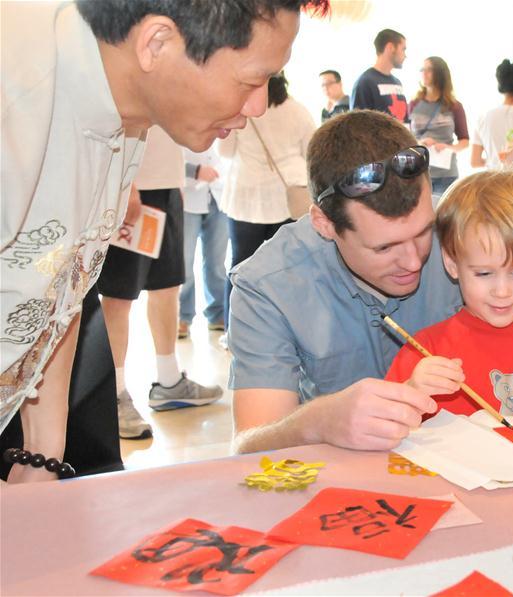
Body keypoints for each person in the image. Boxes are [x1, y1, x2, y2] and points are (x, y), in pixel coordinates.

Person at [1, 0, 323, 483]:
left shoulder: (123, 111)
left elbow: (60, 287)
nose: (258, 107)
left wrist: (41, 455)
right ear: (157, 43)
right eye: (252, 81)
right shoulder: (18, 95)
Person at [228, 110, 513, 454]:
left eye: (423, 232)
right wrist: (318, 422)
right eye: (384, 248)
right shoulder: (269, 286)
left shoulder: (468, 236)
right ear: (324, 224)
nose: (413, 261)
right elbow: (247, 446)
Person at [385, 171, 513, 416]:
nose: (502, 291)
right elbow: (385, 424)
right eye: (484, 273)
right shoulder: (425, 350)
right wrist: (412, 389)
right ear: (452, 264)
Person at [98, 127, 223, 440]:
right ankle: (113, 395)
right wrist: (125, 186)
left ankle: (169, 382)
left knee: (167, 287)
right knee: (118, 296)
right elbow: (116, 124)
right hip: (133, 190)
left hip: (166, 186)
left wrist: (175, 182)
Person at [218, 72, 317, 334]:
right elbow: (311, 152)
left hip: (247, 198)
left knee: (240, 266)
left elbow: (225, 152)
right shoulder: (298, 110)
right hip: (288, 199)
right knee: (288, 269)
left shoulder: (239, 110)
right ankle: (289, 332)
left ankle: (234, 331)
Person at [179, 146, 230, 340]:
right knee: (184, 263)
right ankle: (182, 316)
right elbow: (169, 156)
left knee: (217, 263)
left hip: (220, 195)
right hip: (187, 196)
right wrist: (196, 171)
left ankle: (218, 314)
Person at [410, 56, 469, 200]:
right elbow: (406, 135)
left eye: (429, 70)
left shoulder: (454, 106)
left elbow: (464, 141)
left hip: (446, 174)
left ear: (440, 73)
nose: (424, 73)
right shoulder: (414, 103)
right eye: (422, 69)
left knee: (443, 212)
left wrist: (448, 147)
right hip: (418, 172)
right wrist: (419, 143)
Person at [350, 28, 408, 121]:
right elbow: (358, 123)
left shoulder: (397, 82)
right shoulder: (365, 82)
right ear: (390, 47)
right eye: (403, 49)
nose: (405, 55)